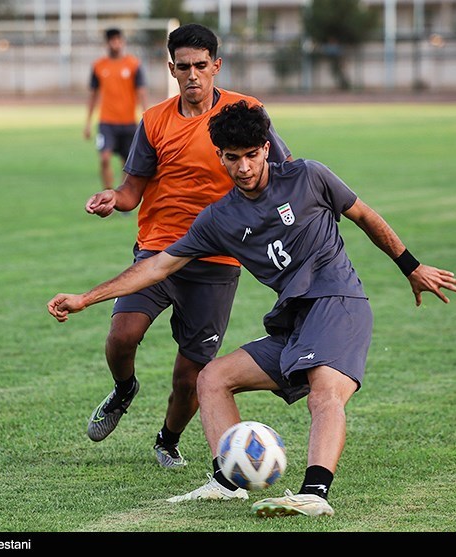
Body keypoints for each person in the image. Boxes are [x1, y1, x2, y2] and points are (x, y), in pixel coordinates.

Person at [48, 100, 456, 517]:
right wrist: (86, 298)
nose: (244, 167)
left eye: (251, 155)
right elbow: (159, 264)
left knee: (324, 394)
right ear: (221, 158)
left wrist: (411, 267)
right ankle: (227, 482)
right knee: (212, 377)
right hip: (293, 321)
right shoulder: (220, 218)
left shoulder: (308, 176)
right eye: (233, 158)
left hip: (339, 304)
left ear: (266, 148)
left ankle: (315, 494)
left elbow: (364, 215)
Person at [80, 24, 291, 469]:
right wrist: (111, 199)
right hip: (158, 250)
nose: (193, 75)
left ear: (216, 65)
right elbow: (131, 189)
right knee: (122, 335)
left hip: (217, 259)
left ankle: (167, 439)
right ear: (170, 68)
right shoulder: (155, 120)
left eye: (201, 65)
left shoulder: (244, 112)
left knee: (189, 374)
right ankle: (124, 389)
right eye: (183, 67)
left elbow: (282, 171)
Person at [84, 28, 148, 190]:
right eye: (113, 40)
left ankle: (123, 195)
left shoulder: (133, 65)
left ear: (123, 42)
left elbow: (141, 93)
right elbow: (93, 95)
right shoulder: (99, 66)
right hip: (106, 122)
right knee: (104, 158)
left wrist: (146, 117)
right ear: (107, 43)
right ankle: (107, 193)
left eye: (119, 40)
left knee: (127, 163)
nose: (116, 44)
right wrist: (88, 123)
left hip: (128, 123)